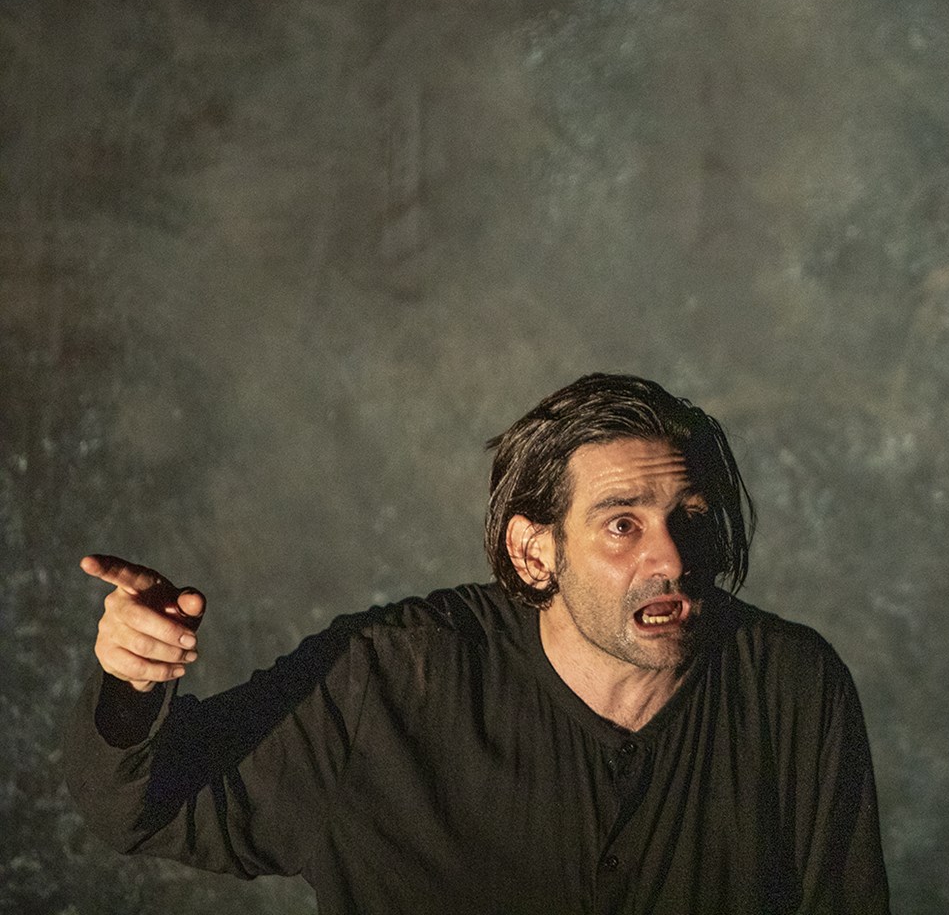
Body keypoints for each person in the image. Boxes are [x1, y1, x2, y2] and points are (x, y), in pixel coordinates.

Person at [65, 372, 891, 914]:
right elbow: (143, 809)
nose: (670, 559)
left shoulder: (791, 688)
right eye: (622, 525)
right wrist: (135, 682)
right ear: (535, 553)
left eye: (690, 518)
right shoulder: (388, 680)